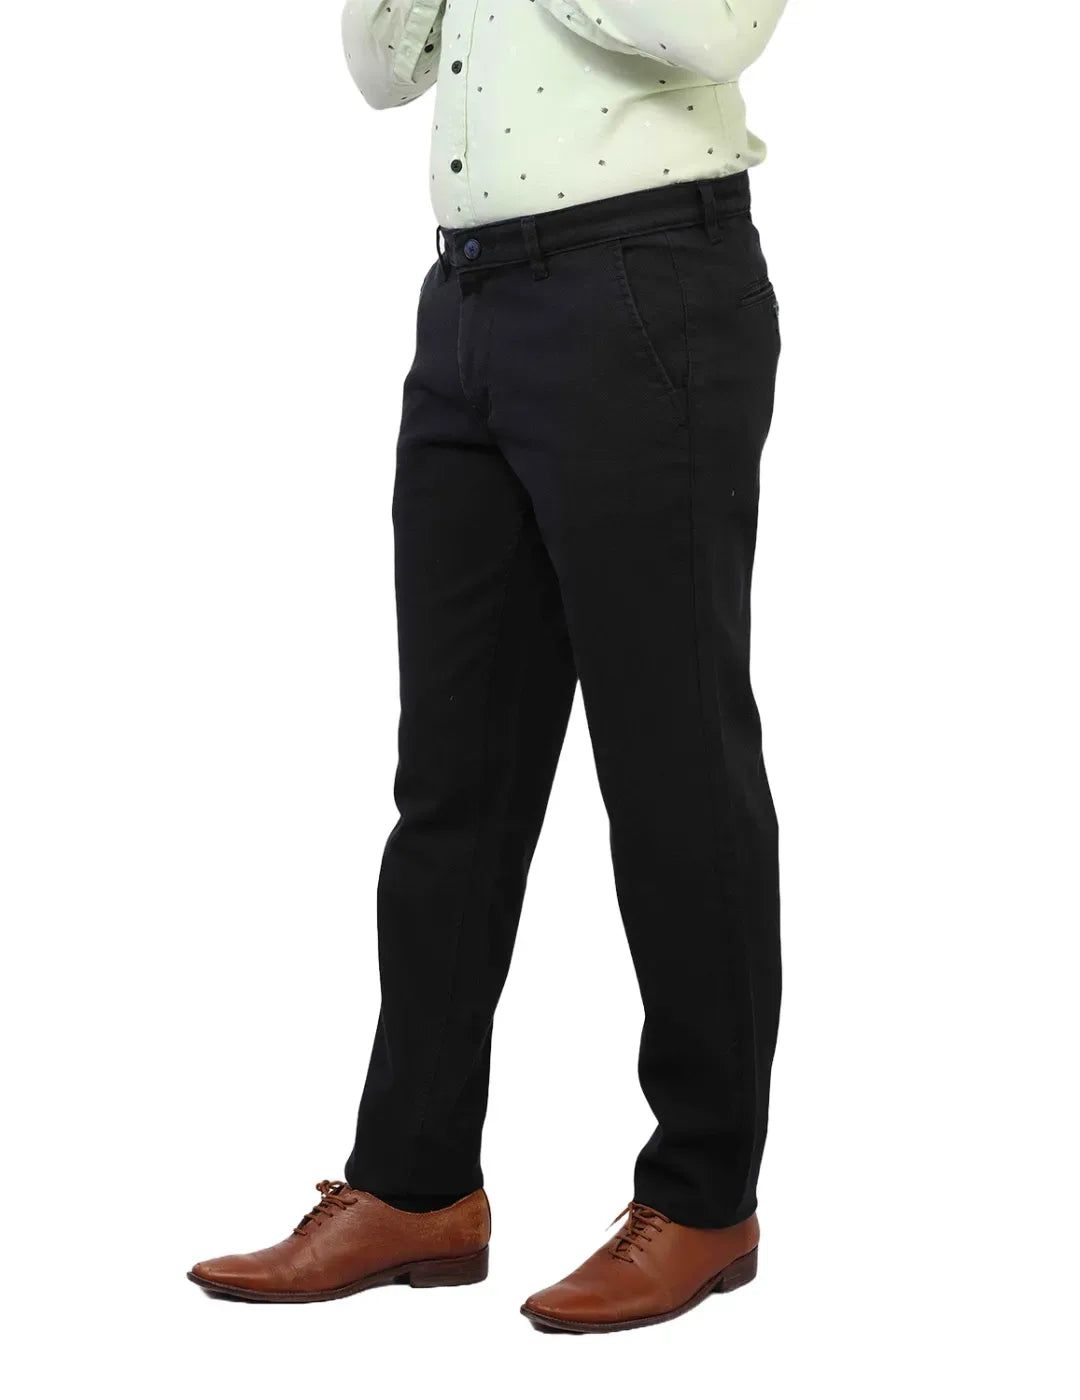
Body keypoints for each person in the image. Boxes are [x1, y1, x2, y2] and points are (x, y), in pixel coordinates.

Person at [188, 0, 788, 1333]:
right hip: (468, 301)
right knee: (453, 783)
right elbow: (379, 71)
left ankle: (704, 1199)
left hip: (645, 281)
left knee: (673, 764)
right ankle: (415, 1186)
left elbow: (716, 33)